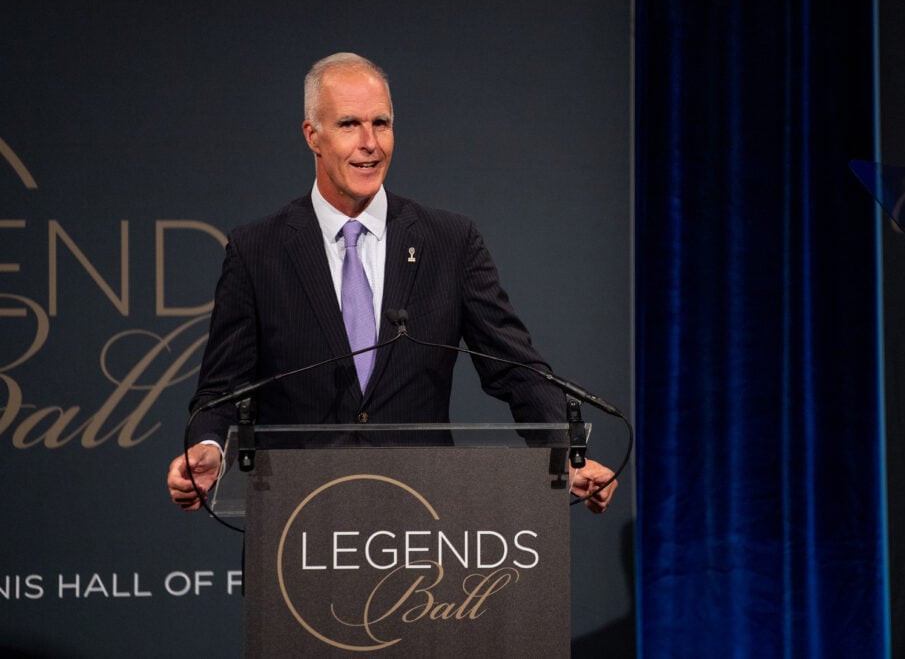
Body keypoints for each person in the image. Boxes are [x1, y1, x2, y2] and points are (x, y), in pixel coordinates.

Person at [166, 52, 617, 514]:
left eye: (381, 123)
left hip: (422, 521)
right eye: (349, 125)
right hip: (298, 524)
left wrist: (567, 454)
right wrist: (209, 446)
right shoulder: (257, 250)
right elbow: (222, 390)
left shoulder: (449, 242)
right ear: (312, 136)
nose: (370, 143)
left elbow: (516, 369)